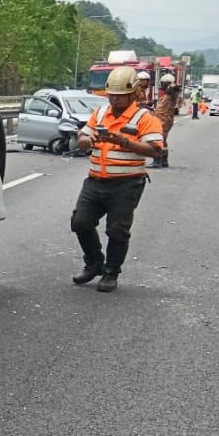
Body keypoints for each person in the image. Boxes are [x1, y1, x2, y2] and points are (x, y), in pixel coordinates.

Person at [70, 66, 165, 292]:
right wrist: (84, 139)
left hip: (127, 183)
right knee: (80, 222)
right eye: (112, 94)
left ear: (133, 93)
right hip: (95, 181)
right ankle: (94, 263)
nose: (115, 98)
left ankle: (111, 272)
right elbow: (83, 134)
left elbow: (155, 149)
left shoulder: (145, 118)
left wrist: (124, 141)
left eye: (121, 94)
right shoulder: (101, 113)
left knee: (117, 230)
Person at [150, 73, 180, 168]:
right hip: (162, 119)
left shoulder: (171, 92)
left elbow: (175, 88)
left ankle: (157, 160)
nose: (161, 85)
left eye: (163, 83)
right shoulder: (166, 95)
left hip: (164, 120)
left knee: (157, 139)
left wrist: (170, 85)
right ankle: (164, 160)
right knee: (163, 140)